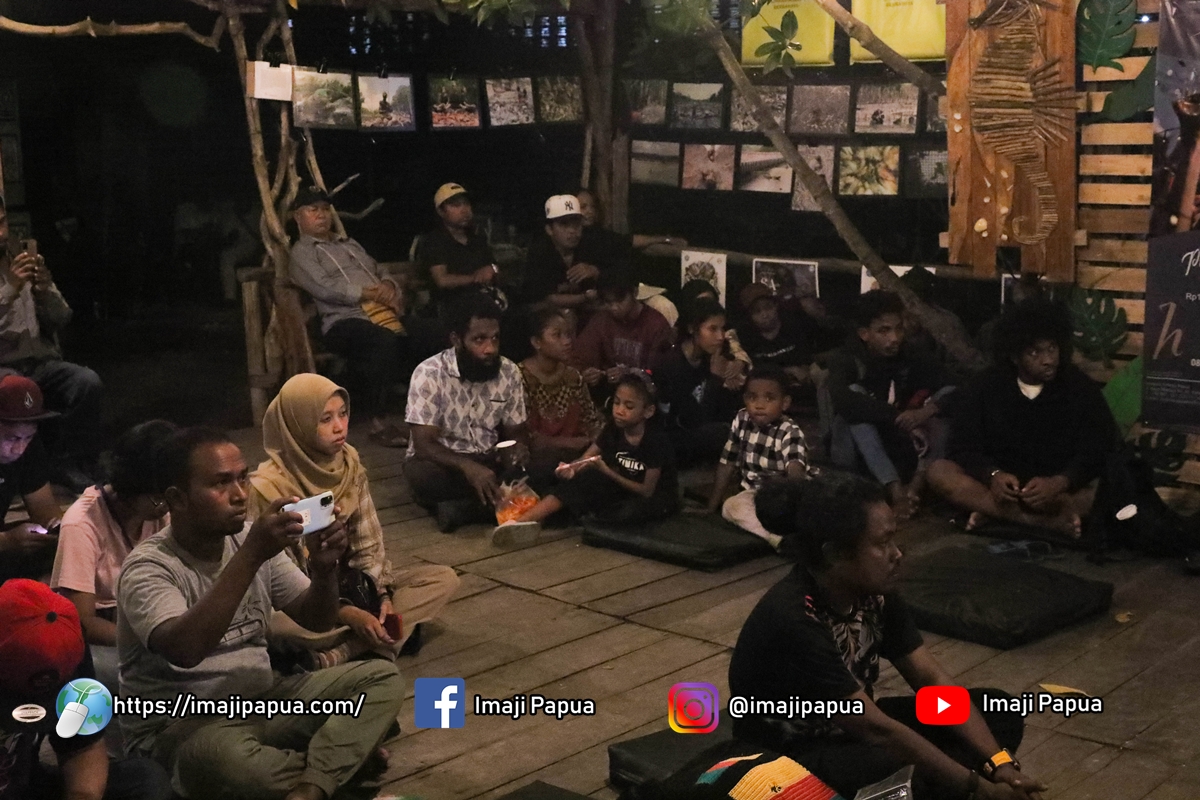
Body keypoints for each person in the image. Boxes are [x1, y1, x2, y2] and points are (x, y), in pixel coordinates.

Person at [116, 427, 404, 800]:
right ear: (177, 499)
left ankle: (311, 786)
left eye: (242, 478)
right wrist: (252, 554)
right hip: (183, 727)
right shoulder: (149, 567)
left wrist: (323, 569)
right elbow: (185, 650)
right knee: (229, 763)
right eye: (221, 483)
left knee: (380, 678)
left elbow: (316, 619)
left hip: (264, 701)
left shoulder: (248, 538)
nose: (239, 494)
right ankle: (335, 766)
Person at [728, 475, 1045, 800]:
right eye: (882, 544)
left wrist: (999, 762)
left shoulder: (874, 591)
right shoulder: (795, 616)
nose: (897, 554)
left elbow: (930, 679)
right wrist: (980, 789)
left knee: (996, 715)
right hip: (789, 756)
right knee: (904, 770)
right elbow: (877, 729)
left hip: (852, 734)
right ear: (835, 554)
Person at [249, 373, 460, 662]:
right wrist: (348, 614)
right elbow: (282, 584)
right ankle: (386, 638)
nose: (339, 427)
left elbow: (368, 548)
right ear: (297, 424)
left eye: (343, 414)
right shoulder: (268, 488)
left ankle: (339, 654)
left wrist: (382, 597)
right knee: (275, 626)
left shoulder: (349, 465)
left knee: (442, 579)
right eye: (325, 419)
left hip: (356, 588)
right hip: (303, 602)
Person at [929, 300, 1117, 541]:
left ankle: (997, 517)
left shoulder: (1079, 387)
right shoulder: (986, 386)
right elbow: (962, 446)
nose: (1048, 360)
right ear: (1014, 356)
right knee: (939, 471)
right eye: (1035, 352)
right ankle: (1040, 523)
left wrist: (1061, 481)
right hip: (1002, 491)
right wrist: (992, 475)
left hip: (1059, 492)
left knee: (1112, 485)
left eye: (1052, 349)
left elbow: (1100, 446)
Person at [0, 579, 173, 800]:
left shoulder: (64, 641)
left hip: (21, 781)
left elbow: (82, 749)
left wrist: (83, 794)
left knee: (145, 780)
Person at [51, 419, 178, 694]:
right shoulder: (81, 523)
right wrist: (151, 641)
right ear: (130, 487)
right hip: (109, 633)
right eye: (159, 498)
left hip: (158, 618)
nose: (167, 507)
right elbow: (83, 622)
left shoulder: (159, 510)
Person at [287, 186, 411, 447]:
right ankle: (379, 423)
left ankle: (435, 412)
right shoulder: (303, 252)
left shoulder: (349, 243)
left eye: (325, 209)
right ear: (298, 217)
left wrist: (388, 285)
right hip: (343, 321)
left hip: (382, 314)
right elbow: (324, 288)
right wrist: (368, 293)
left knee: (430, 332)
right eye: (313, 210)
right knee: (382, 342)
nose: (321, 214)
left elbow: (379, 268)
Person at [496, 372, 678, 542]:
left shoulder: (655, 441)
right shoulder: (613, 429)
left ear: (648, 411)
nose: (619, 410)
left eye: (628, 406)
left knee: (591, 481)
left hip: (648, 498)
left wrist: (607, 472)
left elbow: (646, 491)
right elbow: (587, 457)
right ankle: (525, 517)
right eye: (616, 403)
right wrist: (570, 469)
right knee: (550, 472)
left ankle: (520, 523)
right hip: (616, 484)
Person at [0, 193, 103, 492]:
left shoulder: (17, 255)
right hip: (4, 366)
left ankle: (70, 463)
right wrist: (10, 290)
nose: (1, 233)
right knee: (18, 392)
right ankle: (23, 476)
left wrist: (44, 289)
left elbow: (62, 316)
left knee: (86, 382)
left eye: (2, 222)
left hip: (41, 362)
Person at [403, 293, 531, 533]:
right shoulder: (429, 373)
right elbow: (423, 444)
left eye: (495, 338)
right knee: (422, 475)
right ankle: (494, 506)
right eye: (479, 340)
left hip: (490, 460)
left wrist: (518, 450)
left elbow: (517, 431)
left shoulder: (509, 371)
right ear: (457, 340)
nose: (490, 348)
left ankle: (461, 510)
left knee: (540, 467)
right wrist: (468, 467)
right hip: (447, 464)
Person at [826, 291, 951, 520]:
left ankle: (914, 488)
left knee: (944, 405)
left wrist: (924, 412)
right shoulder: (847, 359)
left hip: (901, 446)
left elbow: (954, 386)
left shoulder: (912, 355)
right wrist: (896, 416)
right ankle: (895, 490)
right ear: (865, 334)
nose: (894, 338)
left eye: (898, 329)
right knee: (855, 405)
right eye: (884, 331)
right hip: (857, 454)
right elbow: (844, 400)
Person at [706, 365, 807, 547]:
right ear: (745, 399)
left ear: (785, 403)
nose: (759, 405)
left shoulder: (790, 431)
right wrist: (710, 509)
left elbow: (796, 475)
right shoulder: (742, 419)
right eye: (752, 397)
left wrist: (790, 506)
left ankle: (792, 532)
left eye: (769, 398)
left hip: (784, 496)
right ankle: (780, 540)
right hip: (754, 494)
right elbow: (727, 462)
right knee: (731, 506)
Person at [654, 297, 745, 464]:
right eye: (712, 329)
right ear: (692, 329)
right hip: (676, 436)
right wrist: (716, 379)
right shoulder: (671, 364)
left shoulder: (712, 354)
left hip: (704, 426)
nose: (720, 336)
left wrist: (734, 370)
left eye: (722, 329)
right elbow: (692, 420)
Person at [520, 304, 605, 471]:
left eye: (568, 334)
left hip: (575, 461)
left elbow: (592, 422)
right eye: (557, 335)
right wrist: (570, 442)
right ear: (536, 342)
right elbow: (527, 437)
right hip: (535, 464)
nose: (567, 341)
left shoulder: (573, 377)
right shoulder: (519, 378)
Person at [0, 375, 65, 585]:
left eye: (28, 437)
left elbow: (44, 509)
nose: (19, 449)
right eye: (11, 438)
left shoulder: (29, 449)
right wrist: (6, 540)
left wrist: (58, 529)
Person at [573, 269, 673, 389]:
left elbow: (659, 373)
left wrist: (629, 373)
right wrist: (586, 372)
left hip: (643, 393)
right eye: (608, 302)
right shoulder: (601, 320)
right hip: (609, 391)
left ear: (635, 292)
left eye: (619, 300)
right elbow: (578, 358)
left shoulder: (656, 325)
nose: (614, 307)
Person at [419, 183, 501, 317]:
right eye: (456, 205)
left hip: (484, 298)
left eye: (466, 204)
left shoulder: (477, 239)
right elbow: (442, 280)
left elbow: (494, 267)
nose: (464, 210)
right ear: (441, 212)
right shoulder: (434, 241)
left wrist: (492, 269)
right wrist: (475, 278)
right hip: (451, 304)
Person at [737, 283, 823, 397]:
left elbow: (809, 357)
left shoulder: (793, 324)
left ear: (776, 306)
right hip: (765, 392)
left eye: (768, 307)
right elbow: (754, 371)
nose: (764, 315)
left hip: (802, 386)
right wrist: (789, 370)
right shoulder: (746, 336)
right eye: (757, 311)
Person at [522, 195, 601, 310]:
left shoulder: (590, 244)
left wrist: (595, 271)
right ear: (549, 229)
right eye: (564, 224)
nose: (572, 230)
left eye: (576, 224)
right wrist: (586, 297)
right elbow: (547, 299)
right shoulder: (540, 252)